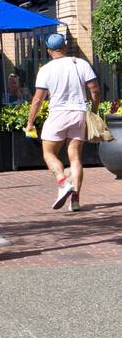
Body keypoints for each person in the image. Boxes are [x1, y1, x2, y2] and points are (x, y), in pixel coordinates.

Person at [26, 33, 101, 212]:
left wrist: (30, 123)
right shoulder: (80, 63)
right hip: (79, 113)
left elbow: (38, 100)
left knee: (49, 153)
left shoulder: (46, 70)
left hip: (58, 113)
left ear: (49, 50)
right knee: (74, 156)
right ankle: (75, 200)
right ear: (65, 47)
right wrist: (94, 111)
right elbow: (95, 90)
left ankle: (62, 182)